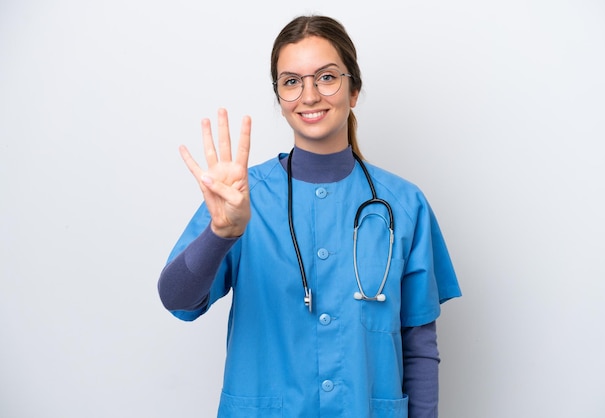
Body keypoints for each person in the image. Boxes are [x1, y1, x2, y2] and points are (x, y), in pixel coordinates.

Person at [158, 15, 461, 418]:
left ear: (353, 90)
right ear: (280, 97)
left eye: (326, 77)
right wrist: (222, 233)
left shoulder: (404, 206)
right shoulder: (241, 200)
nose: (309, 95)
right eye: (291, 81)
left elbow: (419, 344)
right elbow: (178, 300)